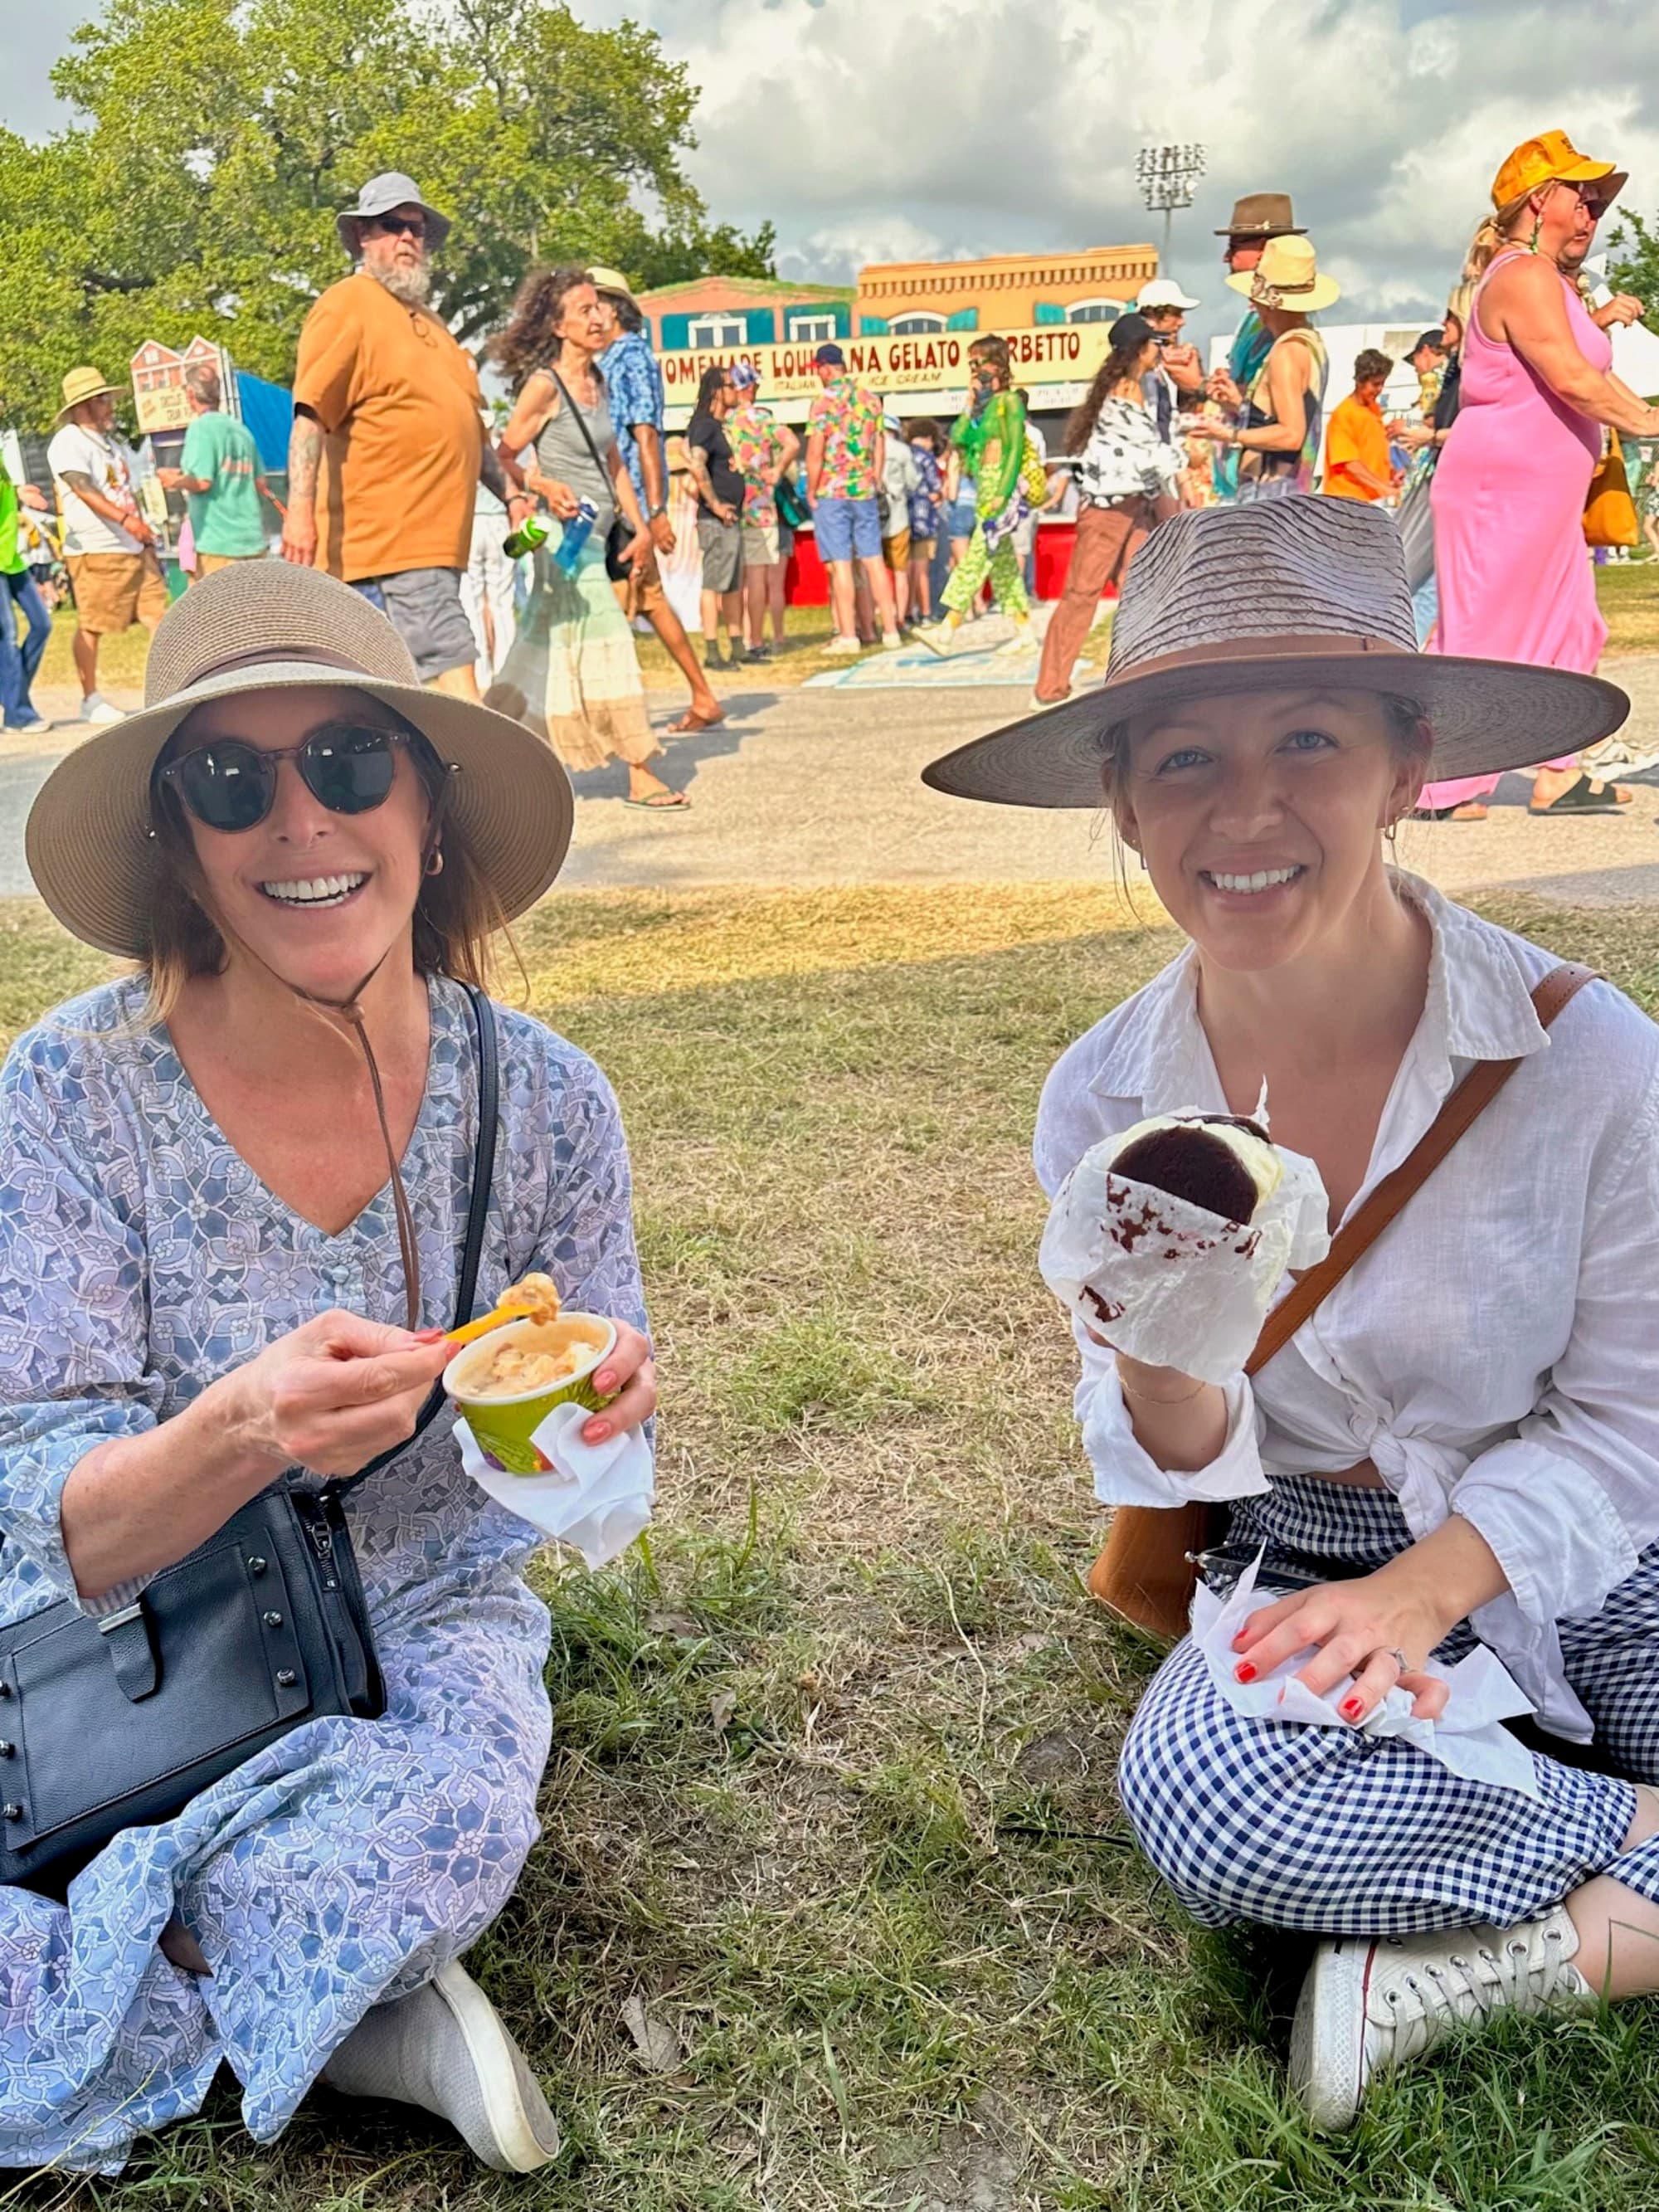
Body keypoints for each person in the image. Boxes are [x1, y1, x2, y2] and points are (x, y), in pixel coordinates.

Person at [922, 492, 1659, 2137]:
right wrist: (1166, 1348)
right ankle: (1628, 1864)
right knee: (1205, 1798)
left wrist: (1434, 1591)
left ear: (1406, 766)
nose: (1242, 810)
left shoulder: (1588, 1060)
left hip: (1577, 1542)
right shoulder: (1108, 1097)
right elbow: (1174, 1458)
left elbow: (1627, 1429)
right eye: (1181, 758)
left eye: (1307, 740)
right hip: (1301, 1557)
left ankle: (1529, 1934)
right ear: (1119, 802)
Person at [1, 560, 659, 2174]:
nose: (302, 822)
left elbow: (577, 1508)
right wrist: (235, 1430)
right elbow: (40, 1524)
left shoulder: (548, 1102)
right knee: (374, 1844)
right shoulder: (71, 1092)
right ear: (175, 837)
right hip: (119, 1648)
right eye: (233, 780)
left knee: (445, 1819)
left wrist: (586, 1425)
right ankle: (349, 2009)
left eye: (352, 763)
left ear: (427, 807)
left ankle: (235, 1961)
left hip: (422, 1629)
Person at [1415, 129, 1659, 823]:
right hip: (1501, 491)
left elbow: (1587, 370)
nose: (1593, 214)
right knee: (1481, 632)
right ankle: (1434, 783)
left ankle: (1559, 771)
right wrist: (1649, 422)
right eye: (1581, 198)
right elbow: (1575, 379)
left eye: (1596, 203)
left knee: (1572, 627)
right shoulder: (1520, 275)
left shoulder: (1545, 279)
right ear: (1539, 199)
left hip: (1540, 494)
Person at [281, 173, 528, 703]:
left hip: (437, 544)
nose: (408, 239)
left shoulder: (435, 326)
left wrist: (514, 495)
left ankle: (437, 776)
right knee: (449, 664)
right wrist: (299, 513)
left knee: (397, 690)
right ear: (364, 237)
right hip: (388, 541)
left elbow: (472, 435)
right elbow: (310, 415)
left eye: (417, 229)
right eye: (393, 226)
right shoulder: (347, 303)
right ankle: (475, 779)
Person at [493, 266, 686, 811]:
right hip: (563, 543)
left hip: (601, 536)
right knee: (611, 642)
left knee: (542, 648)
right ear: (558, 325)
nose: (600, 316)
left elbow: (614, 462)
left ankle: (498, 752)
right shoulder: (544, 387)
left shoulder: (597, 383)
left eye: (601, 308)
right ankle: (640, 770)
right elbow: (504, 458)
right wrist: (543, 483)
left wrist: (643, 526)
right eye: (585, 310)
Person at [589, 267, 727, 732]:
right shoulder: (607, 358)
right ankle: (701, 696)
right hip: (613, 501)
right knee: (646, 601)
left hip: (624, 504)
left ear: (615, 309)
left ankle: (622, 717)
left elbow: (647, 436)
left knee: (615, 604)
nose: (590, 313)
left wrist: (654, 511)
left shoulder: (631, 357)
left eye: (595, 304)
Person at [1031, 314, 1179, 709]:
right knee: (1083, 594)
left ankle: (1141, 674)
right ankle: (1050, 688)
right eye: (1153, 343)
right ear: (1139, 349)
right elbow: (1144, 456)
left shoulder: (1141, 387)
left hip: (1135, 507)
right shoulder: (1121, 395)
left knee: (1141, 591)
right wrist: (1184, 453)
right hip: (1109, 509)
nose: (1158, 349)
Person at [46, 366, 167, 727]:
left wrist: (143, 523)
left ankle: (172, 688)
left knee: (160, 616)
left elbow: (127, 485)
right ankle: (90, 698)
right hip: (96, 549)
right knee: (93, 624)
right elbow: (83, 489)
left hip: (133, 546)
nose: (110, 406)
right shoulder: (69, 442)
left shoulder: (110, 446)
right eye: (103, 400)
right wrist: (128, 521)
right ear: (83, 406)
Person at [1190, 234, 1334, 499]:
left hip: (1269, 496)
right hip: (1288, 493)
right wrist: (1243, 404)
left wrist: (1229, 433)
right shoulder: (1309, 343)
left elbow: (1291, 434)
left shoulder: (1287, 352)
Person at [917, 336, 1033, 655]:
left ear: (996, 365)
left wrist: (1004, 492)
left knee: (977, 556)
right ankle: (1024, 631)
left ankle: (946, 629)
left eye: (977, 364)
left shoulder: (1009, 402)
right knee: (1004, 565)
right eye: (971, 365)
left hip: (999, 487)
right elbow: (958, 438)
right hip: (983, 484)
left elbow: (1014, 450)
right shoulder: (983, 407)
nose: (974, 371)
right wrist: (969, 405)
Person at [1205, 192, 1307, 499]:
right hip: (1250, 491)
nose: (1227, 258)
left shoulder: (1283, 334)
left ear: (1264, 250)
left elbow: (1286, 428)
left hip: (1268, 497)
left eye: (1234, 246)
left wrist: (1231, 427)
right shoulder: (1256, 322)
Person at [805, 342, 898, 655]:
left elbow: (816, 451)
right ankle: (890, 630)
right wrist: (875, 474)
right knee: (874, 560)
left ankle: (849, 635)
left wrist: (811, 489)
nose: (818, 375)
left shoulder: (823, 403)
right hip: (864, 491)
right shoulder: (871, 401)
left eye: (819, 369)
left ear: (826, 368)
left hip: (832, 490)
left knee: (842, 564)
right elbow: (880, 443)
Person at [156, 360, 275, 578]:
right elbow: (261, 483)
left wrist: (174, 480)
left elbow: (202, 482)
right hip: (252, 539)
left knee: (215, 610)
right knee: (254, 609)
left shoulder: (201, 428)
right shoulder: (241, 431)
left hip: (218, 543)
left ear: (190, 394)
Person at [723, 360, 798, 660]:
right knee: (757, 579)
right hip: (761, 507)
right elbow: (792, 442)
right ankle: (756, 638)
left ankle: (736, 637)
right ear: (751, 387)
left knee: (735, 581)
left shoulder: (726, 422)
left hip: (730, 506)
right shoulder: (764, 421)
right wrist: (777, 469)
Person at [684, 365, 747, 669]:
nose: (736, 389)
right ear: (715, 391)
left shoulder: (720, 427)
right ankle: (711, 651)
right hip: (715, 519)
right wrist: (717, 505)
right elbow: (697, 467)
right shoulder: (705, 426)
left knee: (733, 584)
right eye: (730, 385)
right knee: (714, 583)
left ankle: (738, 645)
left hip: (731, 518)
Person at [0, 453, 54, 731]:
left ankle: (11, 696)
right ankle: (18, 715)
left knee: (42, 624)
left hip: (11, 558)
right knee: (6, 636)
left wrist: (19, 493)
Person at [1134, 277, 1205, 443]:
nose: (1182, 322)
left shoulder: (1167, 361)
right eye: (1176, 314)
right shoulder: (1132, 358)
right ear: (1153, 315)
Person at [1321, 348, 1397, 503]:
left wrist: (1391, 474)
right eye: (1375, 384)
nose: (1380, 389)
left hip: (1371, 500)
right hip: (1347, 503)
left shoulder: (1372, 408)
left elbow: (1371, 451)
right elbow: (1350, 463)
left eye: (1382, 383)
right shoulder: (1343, 415)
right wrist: (1384, 487)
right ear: (1359, 381)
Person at [878, 413, 920, 626]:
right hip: (898, 517)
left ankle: (881, 616)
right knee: (900, 572)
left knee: (876, 571)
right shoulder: (903, 451)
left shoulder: (868, 448)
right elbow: (913, 483)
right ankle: (901, 618)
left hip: (872, 517)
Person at [905, 418, 946, 622]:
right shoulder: (927, 458)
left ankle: (905, 611)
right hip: (923, 518)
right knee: (921, 568)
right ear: (929, 438)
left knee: (904, 568)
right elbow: (936, 486)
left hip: (901, 518)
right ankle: (925, 612)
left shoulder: (902, 453)